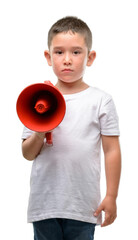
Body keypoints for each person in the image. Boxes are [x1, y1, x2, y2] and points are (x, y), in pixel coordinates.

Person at [22, 16, 121, 240]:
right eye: (59, 52)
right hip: (45, 206)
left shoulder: (100, 100)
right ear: (48, 57)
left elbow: (111, 150)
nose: (67, 59)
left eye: (76, 52)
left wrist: (111, 196)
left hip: (83, 206)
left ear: (90, 57)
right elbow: (27, 154)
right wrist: (40, 128)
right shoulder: (37, 98)